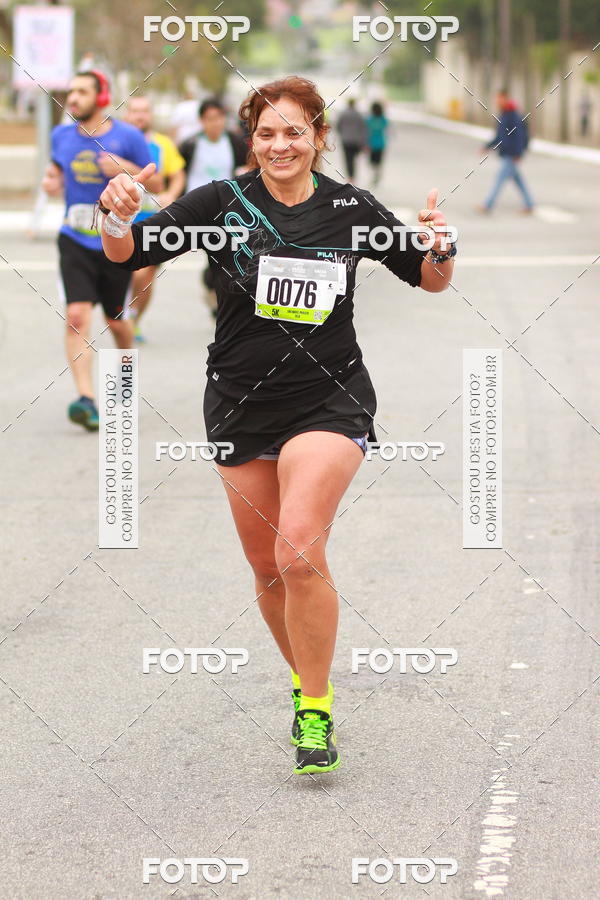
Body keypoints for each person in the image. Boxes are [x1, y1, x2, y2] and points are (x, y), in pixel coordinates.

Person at [99, 76, 456, 774]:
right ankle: (306, 681)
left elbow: (428, 276)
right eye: (266, 132)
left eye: (295, 131)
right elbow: (129, 253)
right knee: (267, 568)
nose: (280, 143)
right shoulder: (221, 204)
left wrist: (439, 247)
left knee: (297, 550)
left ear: (319, 137)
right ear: (250, 139)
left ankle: (315, 709)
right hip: (238, 402)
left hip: (330, 397)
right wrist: (114, 216)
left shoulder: (351, 208)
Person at [41, 70, 160, 430]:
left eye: (81, 92)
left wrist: (123, 167)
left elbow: (152, 177)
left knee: (115, 320)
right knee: (77, 315)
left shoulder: (128, 136)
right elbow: (57, 172)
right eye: (71, 92)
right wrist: (52, 181)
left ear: (102, 96)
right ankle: (86, 399)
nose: (73, 98)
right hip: (74, 238)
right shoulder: (60, 135)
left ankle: (125, 377)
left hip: (116, 241)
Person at [179, 98, 248, 318]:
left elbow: (246, 167)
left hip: (227, 208)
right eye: (210, 119)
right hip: (197, 209)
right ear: (201, 121)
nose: (215, 123)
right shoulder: (189, 145)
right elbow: (179, 174)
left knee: (224, 253)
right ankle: (214, 291)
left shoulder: (235, 142)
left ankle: (217, 294)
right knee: (215, 253)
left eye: (219, 118)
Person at [124, 95, 186, 342]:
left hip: (154, 221)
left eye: (145, 111)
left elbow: (178, 174)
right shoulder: (118, 142)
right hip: (123, 221)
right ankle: (124, 312)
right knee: (128, 274)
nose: (140, 116)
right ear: (127, 115)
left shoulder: (163, 144)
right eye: (135, 111)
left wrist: (171, 194)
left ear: (151, 115)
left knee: (145, 274)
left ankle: (134, 319)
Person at [479, 90, 534, 214]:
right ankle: (529, 204)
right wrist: (486, 147)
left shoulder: (513, 115)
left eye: (499, 99)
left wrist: (518, 154)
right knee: (518, 181)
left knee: (499, 179)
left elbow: (519, 136)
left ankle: (487, 205)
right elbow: (499, 136)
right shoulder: (503, 115)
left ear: (505, 99)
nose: (497, 102)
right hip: (506, 153)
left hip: (511, 154)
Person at [337, 98, 367, 183]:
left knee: (348, 159)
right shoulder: (359, 115)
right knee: (354, 159)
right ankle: (353, 175)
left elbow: (338, 126)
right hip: (356, 141)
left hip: (346, 140)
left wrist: (342, 134)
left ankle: (350, 177)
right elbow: (362, 128)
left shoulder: (343, 114)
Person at [366, 101, 389, 186]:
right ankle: (377, 175)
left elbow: (366, 131)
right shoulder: (383, 119)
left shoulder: (369, 119)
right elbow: (386, 128)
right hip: (381, 143)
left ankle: (374, 175)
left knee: (372, 161)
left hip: (371, 143)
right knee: (379, 161)